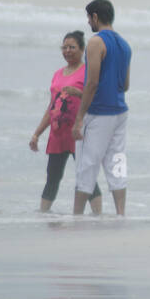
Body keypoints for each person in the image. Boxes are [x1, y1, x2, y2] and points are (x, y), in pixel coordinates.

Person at [29, 31, 101, 213]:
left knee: (86, 176)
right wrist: (37, 133)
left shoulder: (88, 72)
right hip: (57, 134)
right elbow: (51, 107)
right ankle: (43, 215)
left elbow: (98, 100)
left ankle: (99, 217)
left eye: (72, 47)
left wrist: (78, 93)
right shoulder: (57, 75)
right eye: (64, 47)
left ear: (82, 49)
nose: (67, 51)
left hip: (79, 133)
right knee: (52, 177)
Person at [71, 0, 131, 216]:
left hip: (98, 112)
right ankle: (121, 214)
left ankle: (76, 215)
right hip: (120, 111)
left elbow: (92, 82)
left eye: (89, 18)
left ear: (95, 17)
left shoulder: (96, 43)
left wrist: (79, 118)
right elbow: (125, 84)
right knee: (117, 161)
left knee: (87, 164)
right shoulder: (125, 45)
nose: (88, 22)